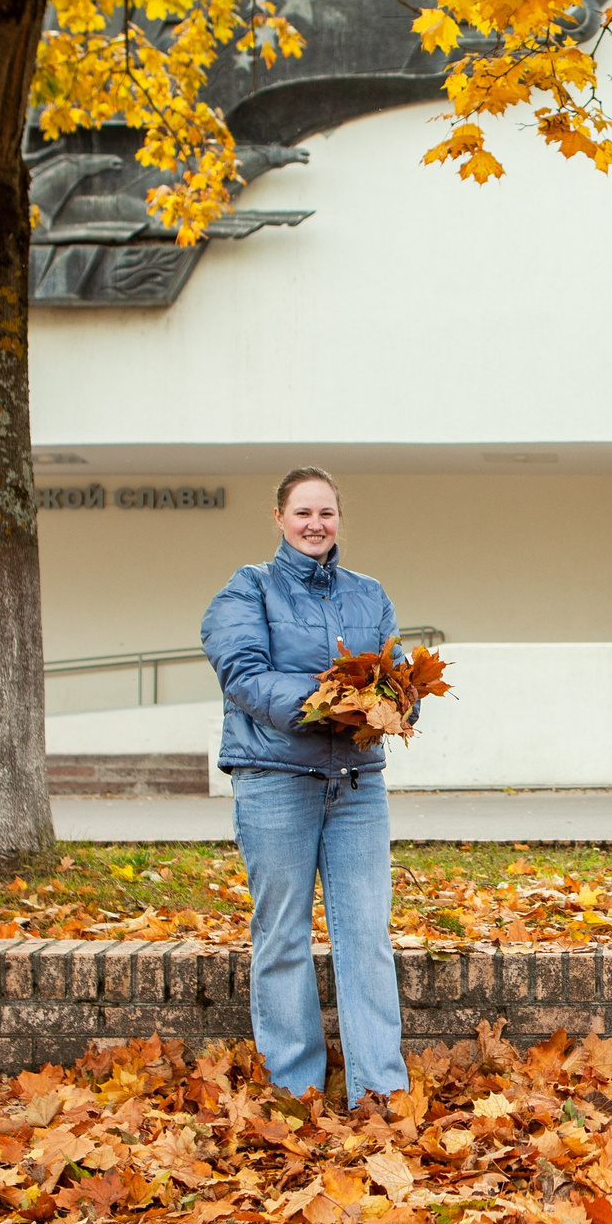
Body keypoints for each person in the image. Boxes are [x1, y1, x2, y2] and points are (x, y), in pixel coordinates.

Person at [202, 468, 411, 1110]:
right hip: (276, 783)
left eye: (326, 512)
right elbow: (242, 673)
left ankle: (378, 1088)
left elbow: (397, 677)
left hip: (355, 788)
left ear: (339, 519)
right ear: (279, 518)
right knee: (283, 934)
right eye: (302, 513)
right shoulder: (248, 589)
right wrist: (330, 704)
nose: (315, 524)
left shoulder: (369, 594)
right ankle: (295, 1088)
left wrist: (397, 704)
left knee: (366, 934)